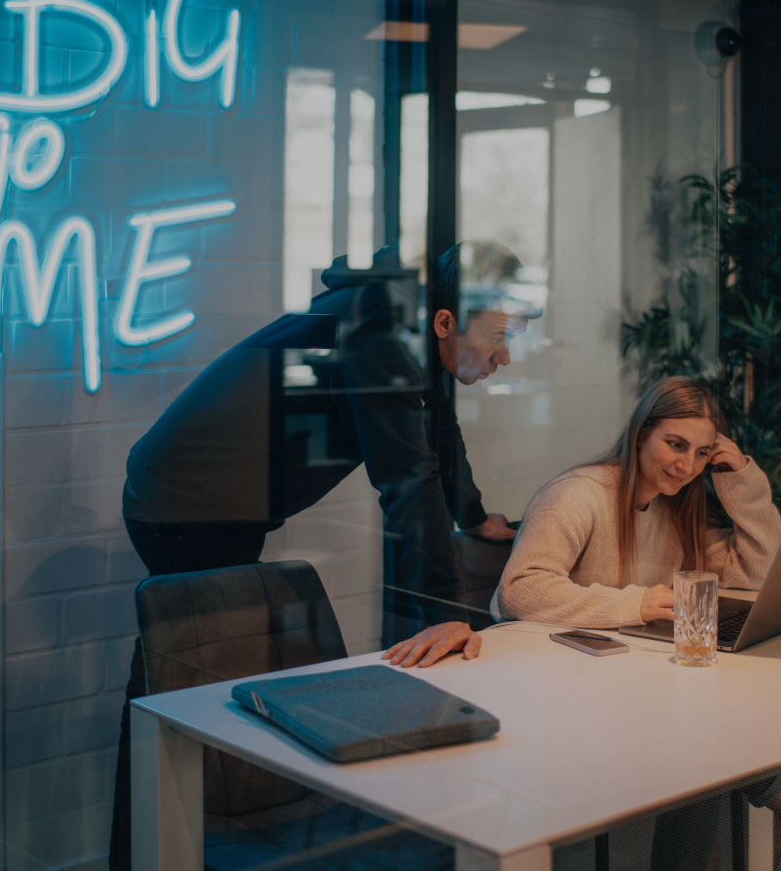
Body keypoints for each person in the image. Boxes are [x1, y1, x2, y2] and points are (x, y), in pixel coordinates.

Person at [109, 241, 542, 870]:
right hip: (185, 504)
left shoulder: (399, 322)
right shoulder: (381, 334)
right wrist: (447, 613)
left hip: (207, 499)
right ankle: (151, 855)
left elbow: (434, 431)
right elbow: (406, 481)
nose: (505, 357)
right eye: (500, 336)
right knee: (175, 696)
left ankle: (158, 853)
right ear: (446, 322)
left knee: (176, 691)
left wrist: (473, 516)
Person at [492, 377, 781, 865]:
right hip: (557, 691)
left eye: (703, 453)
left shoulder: (675, 507)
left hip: (623, 681)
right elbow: (519, 590)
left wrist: (741, 478)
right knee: (707, 734)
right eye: (675, 444)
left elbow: (755, 572)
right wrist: (635, 604)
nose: (687, 466)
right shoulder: (579, 495)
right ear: (641, 433)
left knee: (710, 729)